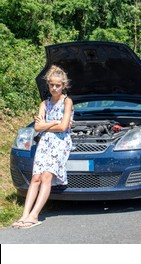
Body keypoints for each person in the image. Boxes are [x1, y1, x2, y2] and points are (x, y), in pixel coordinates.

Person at [12, 65, 74, 229]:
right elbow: (37, 128)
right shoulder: (44, 104)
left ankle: (34, 215)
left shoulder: (67, 102)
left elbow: (63, 128)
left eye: (58, 85)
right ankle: (24, 214)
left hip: (60, 142)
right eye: (51, 85)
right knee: (35, 178)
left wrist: (48, 123)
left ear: (64, 85)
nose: (54, 88)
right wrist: (54, 122)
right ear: (48, 85)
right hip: (45, 142)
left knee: (46, 176)